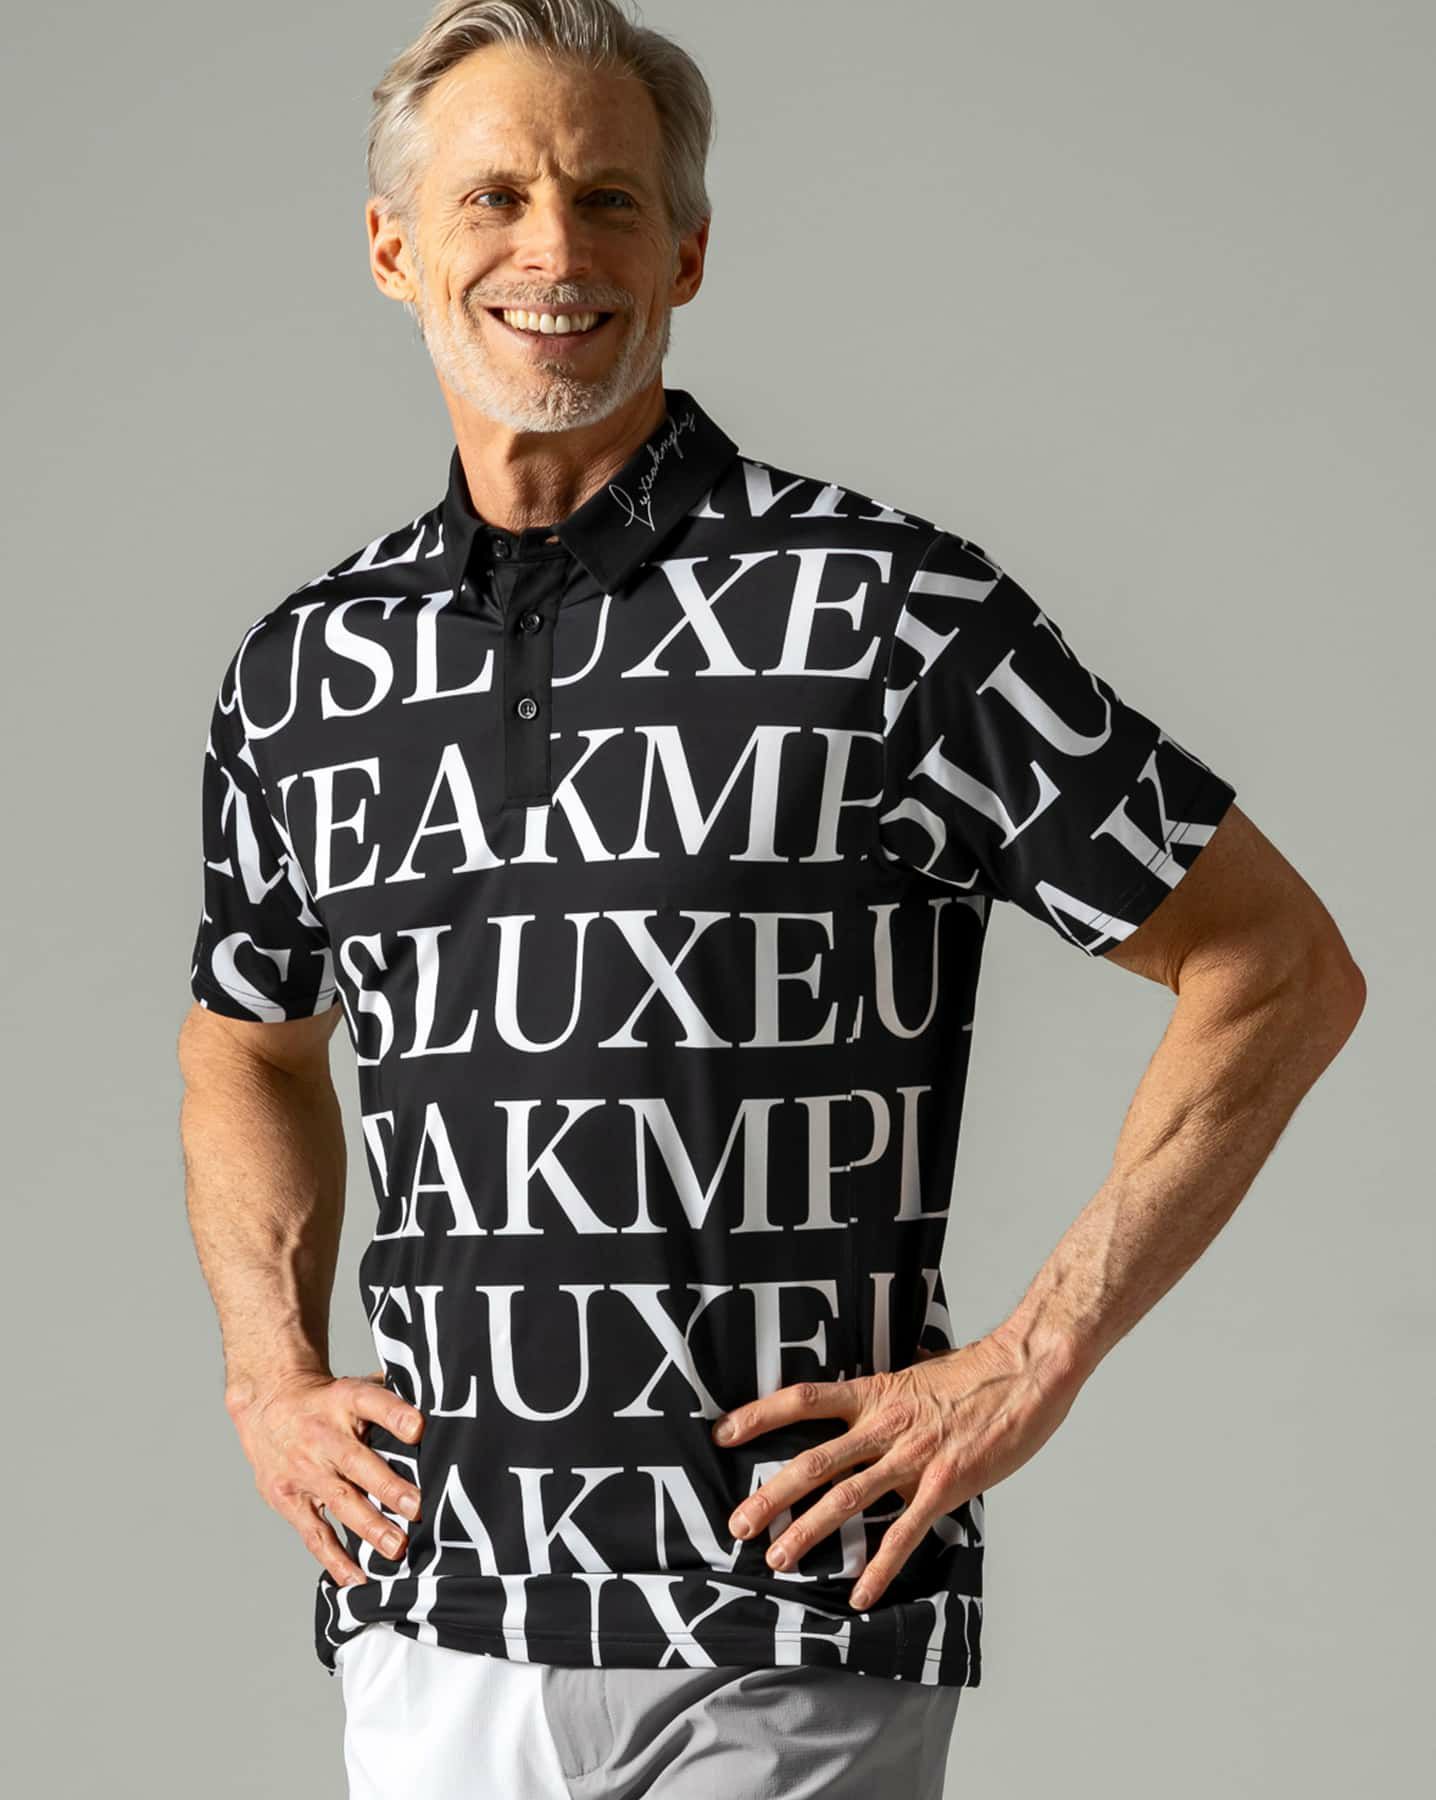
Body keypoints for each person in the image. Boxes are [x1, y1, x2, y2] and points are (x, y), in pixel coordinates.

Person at [176, 3, 1366, 1795]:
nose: (555, 250)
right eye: (495, 196)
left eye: (610, 198)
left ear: (688, 251)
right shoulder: (307, 671)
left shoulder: (886, 613)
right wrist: (270, 1377)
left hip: (789, 1609)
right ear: (392, 247)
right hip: (436, 1612)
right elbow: (246, 1043)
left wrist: (1033, 1357)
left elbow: (1275, 963)